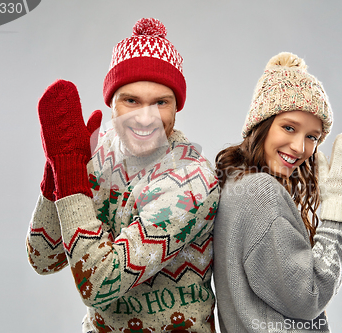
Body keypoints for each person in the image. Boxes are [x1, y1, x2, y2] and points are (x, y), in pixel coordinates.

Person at [26, 18, 219, 333]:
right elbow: (43, 259)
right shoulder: (96, 153)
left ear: (176, 107)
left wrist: (71, 177)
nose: (146, 117)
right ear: (111, 103)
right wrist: (56, 175)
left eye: (161, 102)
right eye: (131, 100)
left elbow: (100, 284)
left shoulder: (192, 182)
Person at [213, 52, 342, 332]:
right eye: (288, 127)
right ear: (260, 125)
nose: (300, 147)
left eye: (312, 137)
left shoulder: (236, 182)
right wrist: (339, 211)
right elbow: (307, 297)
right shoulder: (261, 192)